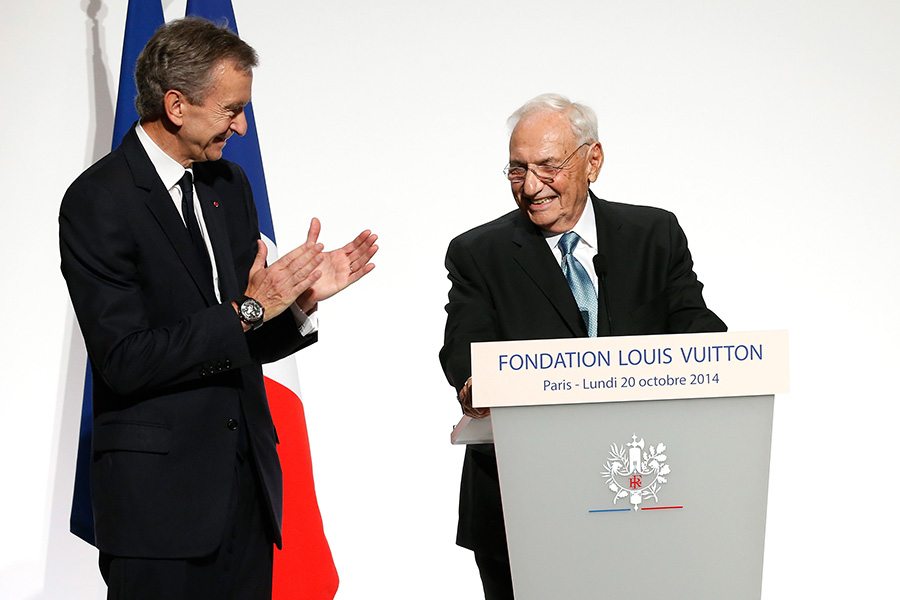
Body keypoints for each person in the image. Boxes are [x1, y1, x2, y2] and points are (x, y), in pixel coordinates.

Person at [59, 18, 377, 599]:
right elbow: (126, 359)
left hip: (244, 495)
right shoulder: (97, 201)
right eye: (232, 109)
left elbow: (239, 338)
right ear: (176, 105)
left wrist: (298, 304)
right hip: (157, 510)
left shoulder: (227, 185)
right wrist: (252, 310)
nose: (243, 125)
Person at [439, 93, 726, 600]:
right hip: (524, 504)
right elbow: (464, 343)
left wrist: (727, 362)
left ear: (592, 160)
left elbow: (691, 321)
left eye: (548, 166)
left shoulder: (652, 234)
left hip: (642, 491)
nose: (531, 187)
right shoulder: (477, 253)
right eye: (516, 171)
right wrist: (472, 383)